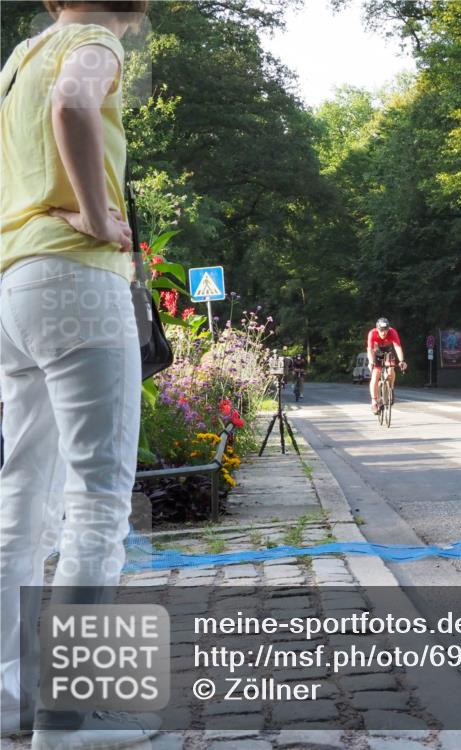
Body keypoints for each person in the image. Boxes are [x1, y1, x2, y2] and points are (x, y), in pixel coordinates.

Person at [0, 2, 160, 746]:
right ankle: (67, 720)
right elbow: (73, 103)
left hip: (12, 283)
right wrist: (98, 216)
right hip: (75, 281)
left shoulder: (16, 61)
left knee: (20, 500)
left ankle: (10, 702)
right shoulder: (93, 40)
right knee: (98, 496)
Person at [367, 318, 406, 413]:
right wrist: (371, 362)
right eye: (381, 330)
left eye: (386, 330)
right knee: (375, 374)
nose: (384, 332)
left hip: (388, 350)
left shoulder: (392, 332)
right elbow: (370, 350)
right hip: (377, 352)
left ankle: (391, 388)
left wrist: (401, 361)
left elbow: (397, 347)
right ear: (377, 329)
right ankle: (374, 402)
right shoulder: (372, 333)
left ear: (389, 328)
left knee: (391, 368)